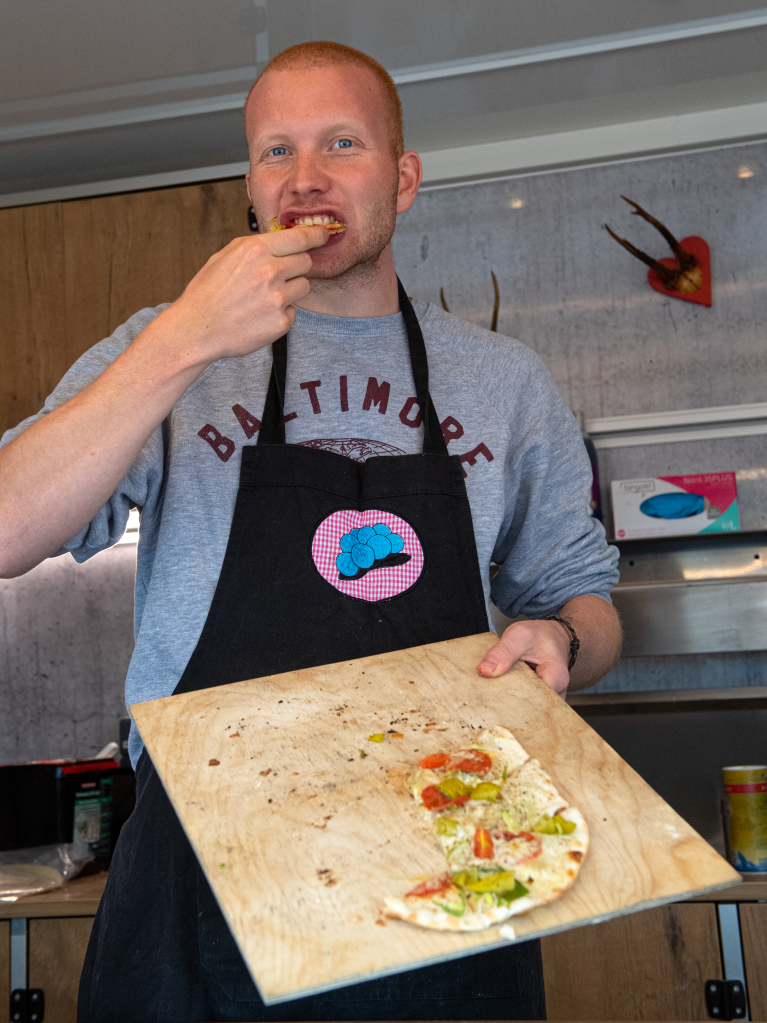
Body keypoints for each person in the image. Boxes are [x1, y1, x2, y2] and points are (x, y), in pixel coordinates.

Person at [0, 40, 621, 1023]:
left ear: (403, 178)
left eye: (341, 143)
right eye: (274, 152)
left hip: (447, 852)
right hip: (208, 857)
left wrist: (566, 640)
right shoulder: (161, 350)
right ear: (249, 186)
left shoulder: (503, 383)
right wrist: (187, 336)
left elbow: (585, 603)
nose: (305, 179)